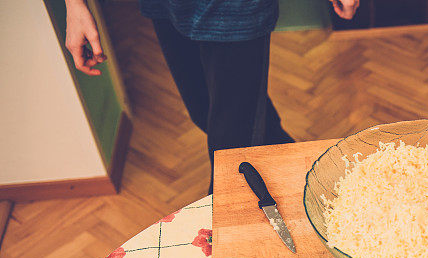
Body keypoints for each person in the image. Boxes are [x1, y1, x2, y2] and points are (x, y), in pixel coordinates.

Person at [64, 0, 359, 193]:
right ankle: (311, 179)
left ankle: (227, 246)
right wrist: (75, 6)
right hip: (167, 6)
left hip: (237, 8)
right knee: (206, 111)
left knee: (229, 148)